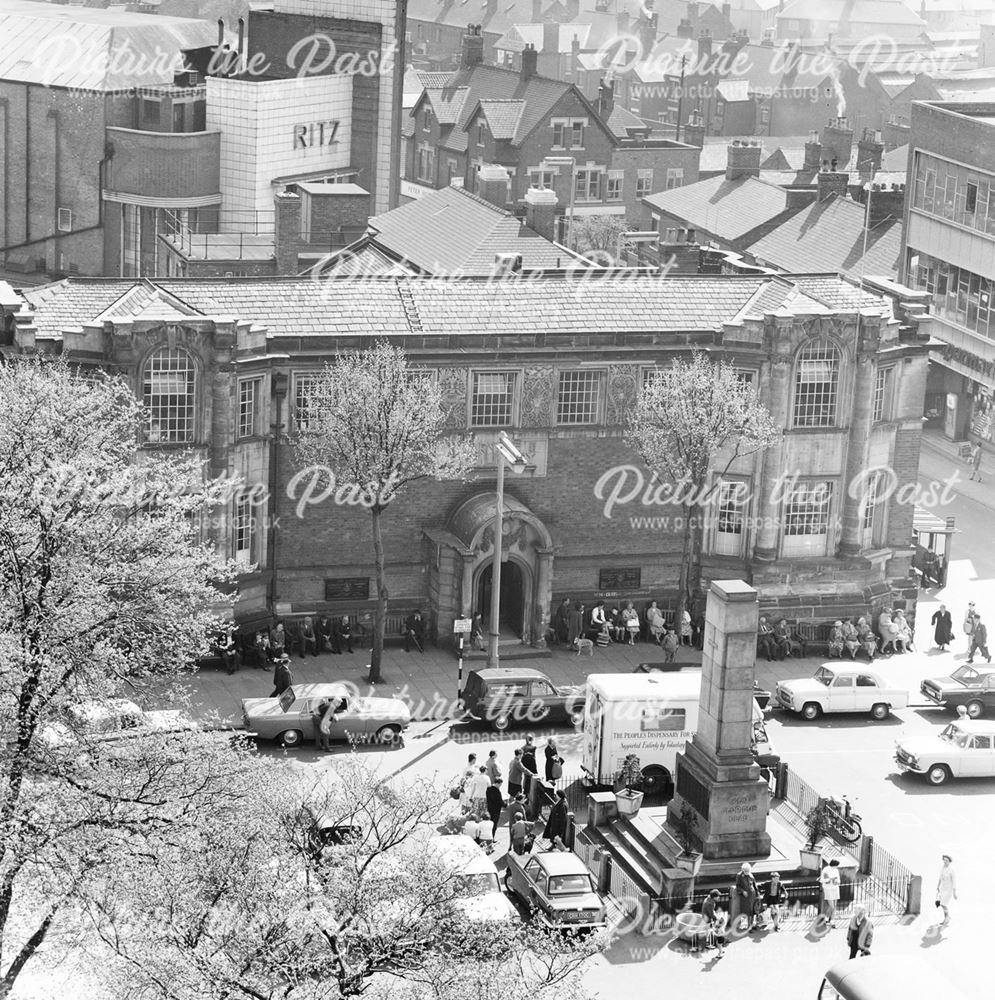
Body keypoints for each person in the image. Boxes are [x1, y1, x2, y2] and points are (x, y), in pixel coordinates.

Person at [701, 890, 726, 957]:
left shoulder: (708, 898)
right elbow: (711, 914)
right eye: (718, 897)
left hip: (705, 917)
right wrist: (717, 919)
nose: (719, 898)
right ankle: (707, 943)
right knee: (710, 930)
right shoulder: (711, 903)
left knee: (708, 930)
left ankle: (708, 943)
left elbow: (711, 912)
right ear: (714, 897)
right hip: (707, 918)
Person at [735, 862, 759, 931]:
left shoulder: (750, 874)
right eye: (745, 871)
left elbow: (755, 884)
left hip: (752, 895)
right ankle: (748, 926)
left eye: (748, 871)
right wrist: (743, 891)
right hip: (745, 896)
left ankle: (750, 926)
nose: (747, 872)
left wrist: (757, 894)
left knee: (752, 911)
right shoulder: (739, 875)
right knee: (747, 911)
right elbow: (738, 886)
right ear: (743, 870)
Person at [820, 858, 841, 928]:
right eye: (836, 865)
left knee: (834, 906)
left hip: (835, 888)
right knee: (831, 906)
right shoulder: (826, 870)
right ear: (834, 865)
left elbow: (838, 879)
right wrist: (831, 879)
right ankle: (826, 918)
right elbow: (822, 880)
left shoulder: (836, 870)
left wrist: (837, 882)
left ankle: (832, 921)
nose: (837, 867)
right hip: (828, 889)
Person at [936, 854, 957, 925]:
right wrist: (938, 886)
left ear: (949, 861)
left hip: (949, 890)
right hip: (943, 888)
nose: (945, 862)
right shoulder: (943, 868)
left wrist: (954, 893)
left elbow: (954, 881)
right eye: (944, 860)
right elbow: (940, 877)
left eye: (946, 860)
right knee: (942, 904)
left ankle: (946, 918)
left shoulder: (952, 870)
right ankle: (947, 917)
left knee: (943, 904)